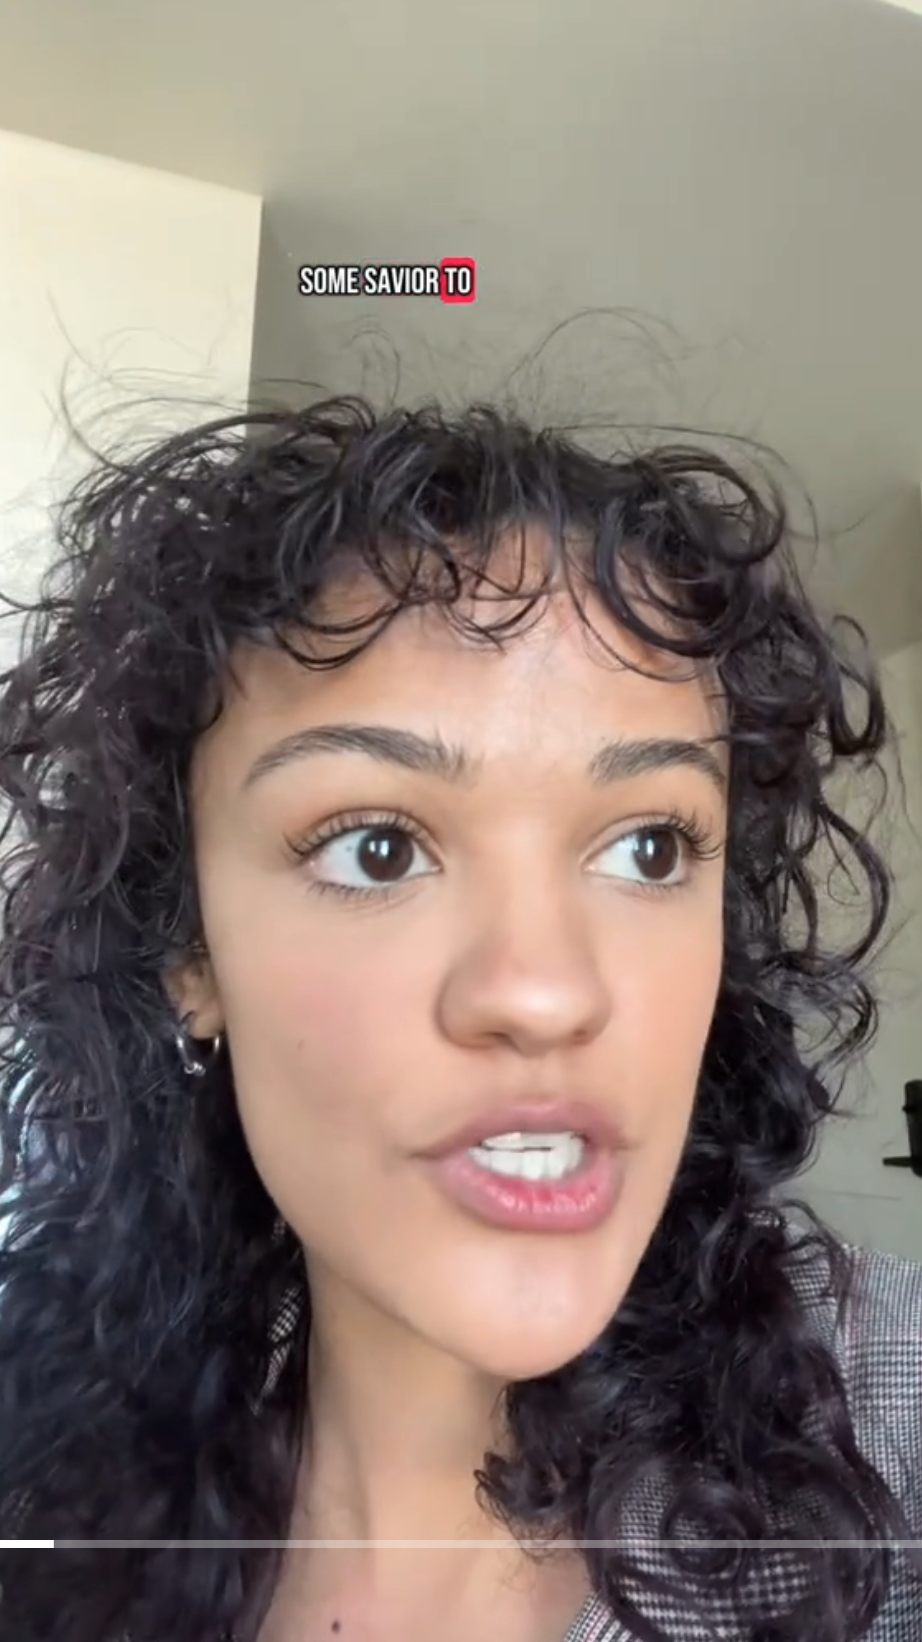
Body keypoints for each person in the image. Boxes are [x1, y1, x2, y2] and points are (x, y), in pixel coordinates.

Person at [0, 396, 919, 1642]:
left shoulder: (884, 1406)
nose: (545, 989)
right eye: (377, 849)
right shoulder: (52, 1511)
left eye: (650, 846)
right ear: (190, 952)